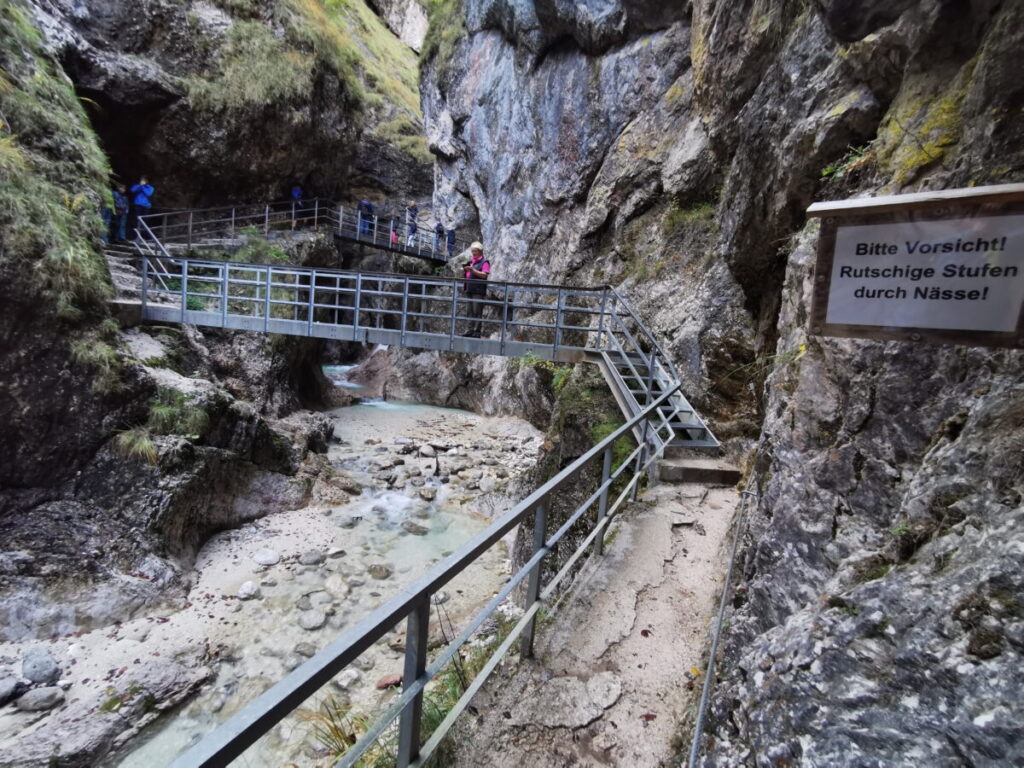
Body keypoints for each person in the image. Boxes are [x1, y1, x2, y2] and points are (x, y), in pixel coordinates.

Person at [463, 241, 490, 337]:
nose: (473, 253)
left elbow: (484, 275)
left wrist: (473, 270)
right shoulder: (471, 261)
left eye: (475, 251)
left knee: (477, 311)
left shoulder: (485, 262)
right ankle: (469, 330)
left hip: (478, 290)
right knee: (469, 311)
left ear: (480, 251)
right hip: (469, 288)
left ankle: (477, 331)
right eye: (472, 251)